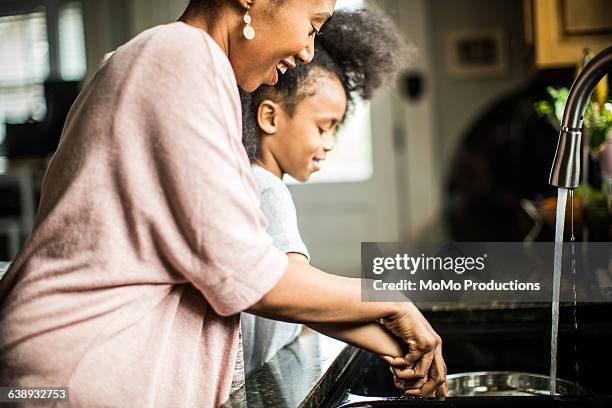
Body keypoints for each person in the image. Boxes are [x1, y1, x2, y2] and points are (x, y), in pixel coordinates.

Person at [0, 1, 446, 406]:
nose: (309, 51)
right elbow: (249, 274)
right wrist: (389, 301)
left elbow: (226, 268)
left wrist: (390, 341)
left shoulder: (161, 60)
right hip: (79, 372)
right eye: (312, 26)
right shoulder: (182, 58)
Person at [239, 8, 409, 378]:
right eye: (322, 127)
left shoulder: (251, 181)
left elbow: (299, 305)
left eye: (335, 129)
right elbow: (298, 296)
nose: (329, 143)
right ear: (269, 117)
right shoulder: (266, 189)